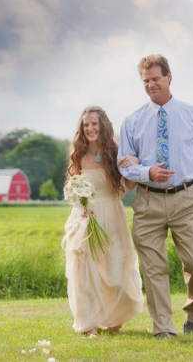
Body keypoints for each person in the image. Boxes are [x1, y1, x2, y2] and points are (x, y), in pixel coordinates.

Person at [117, 54, 193, 339]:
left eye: (155, 79)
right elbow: (122, 163)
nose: (150, 85)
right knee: (154, 268)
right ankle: (163, 327)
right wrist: (147, 172)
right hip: (147, 202)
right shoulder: (132, 121)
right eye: (145, 80)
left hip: (187, 199)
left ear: (168, 77)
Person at [62, 106, 144, 335]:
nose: (90, 129)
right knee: (85, 272)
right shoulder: (78, 154)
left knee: (116, 270)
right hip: (85, 218)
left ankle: (113, 317)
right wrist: (81, 206)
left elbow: (129, 185)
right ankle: (88, 324)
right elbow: (73, 188)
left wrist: (134, 162)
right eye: (85, 125)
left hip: (112, 215)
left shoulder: (116, 151)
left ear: (103, 126)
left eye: (94, 124)